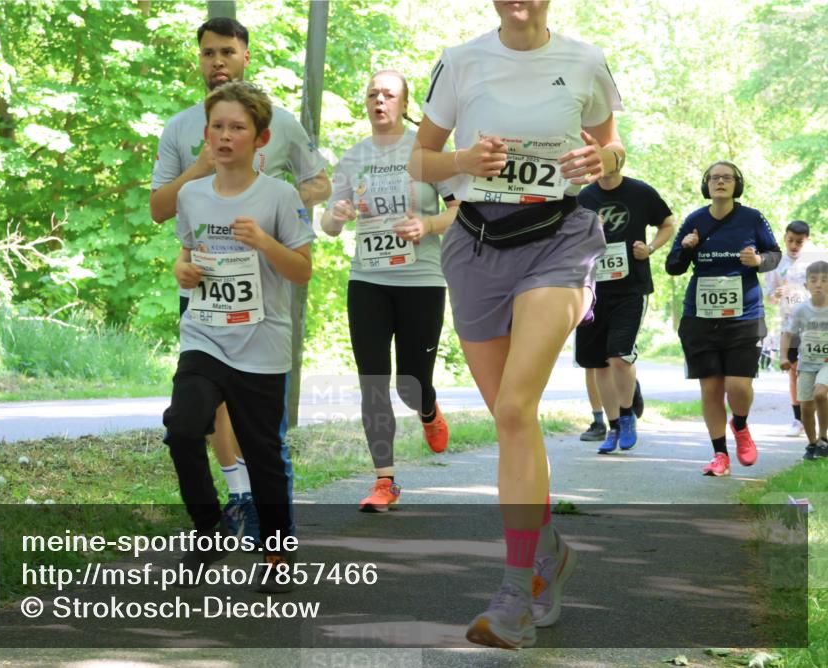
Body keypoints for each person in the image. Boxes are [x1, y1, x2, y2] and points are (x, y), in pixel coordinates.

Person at [409, 0, 623, 648]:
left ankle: (514, 597)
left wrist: (604, 165)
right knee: (515, 421)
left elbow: (611, 150)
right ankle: (548, 553)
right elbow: (420, 160)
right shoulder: (461, 61)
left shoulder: (585, 62)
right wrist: (465, 160)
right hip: (474, 245)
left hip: (559, 238)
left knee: (512, 409)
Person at [150, 17, 330, 536]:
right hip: (205, 311)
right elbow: (168, 214)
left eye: (226, 51)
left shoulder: (281, 137)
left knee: (263, 441)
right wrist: (203, 173)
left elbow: (315, 187)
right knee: (187, 423)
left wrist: (273, 211)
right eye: (207, 53)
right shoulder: (182, 130)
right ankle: (221, 516)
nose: (217, 61)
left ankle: (274, 543)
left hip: (262, 313)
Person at [163, 81, 313, 588]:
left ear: (260, 138)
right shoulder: (191, 194)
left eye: (237, 128)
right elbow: (188, 252)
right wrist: (181, 270)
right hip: (205, 335)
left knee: (263, 450)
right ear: (206, 135)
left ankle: (276, 558)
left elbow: (301, 271)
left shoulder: (279, 195)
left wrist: (266, 242)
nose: (226, 137)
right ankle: (210, 528)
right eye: (218, 128)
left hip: (262, 344)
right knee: (183, 427)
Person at [321, 70, 455, 512]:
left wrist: (429, 223)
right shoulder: (354, 155)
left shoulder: (427, 149)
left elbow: (461, 208)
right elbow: (328, 224)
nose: (380, 100)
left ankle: (429, 409)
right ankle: (385, 480)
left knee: (411, 385)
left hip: (421, 279)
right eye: (373, 93)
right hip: (368, 279)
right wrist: (338, 214)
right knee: (373, 382)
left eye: (389, 94)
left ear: (404, 102)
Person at [665, 161, 781, 477]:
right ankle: (720, 455)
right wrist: (687, 248)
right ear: (706, 184)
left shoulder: (752, 219)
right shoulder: (695, 220)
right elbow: (673, 266)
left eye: (727, 178)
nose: (720, 182)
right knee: (711, 389)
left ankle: (740, 425)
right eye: (714, 178)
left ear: (736, 184)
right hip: (700, 316)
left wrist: (758, 260)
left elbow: (775, 255)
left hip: (744, 315)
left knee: (738, 385)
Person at [576, 165, 673, 453]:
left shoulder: (640, 191)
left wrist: (652, 248)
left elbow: (667, 223)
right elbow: (568, 240)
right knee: (598, 364)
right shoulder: (583, 197)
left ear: (618, 160)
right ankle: (613, 425)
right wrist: (591, 231)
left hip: (631, 288)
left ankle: (628, 414)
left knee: (619, 356)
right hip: (593, 290)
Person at [764, 220, 813, 437]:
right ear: (785, 238)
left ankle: (816, 417)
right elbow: (770, 297)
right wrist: (776, 295)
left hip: (815, 326)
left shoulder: (816, 262)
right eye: (791, 240)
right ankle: (798, 420)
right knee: (794, 373)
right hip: (789, 327)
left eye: (799, 242)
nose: (794, 246)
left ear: (807, 241)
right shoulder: (776, 263)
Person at [780, 261, 828, 460]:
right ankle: (811, 444)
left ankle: (823, 438)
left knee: (820, 394)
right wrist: (783, 357)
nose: (819, 284)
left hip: (826, 363)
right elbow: (787, 334)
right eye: (813, 280)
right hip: (806, 364)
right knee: (806, 408)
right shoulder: (801, 310)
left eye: (824, 280)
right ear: (806, 286)